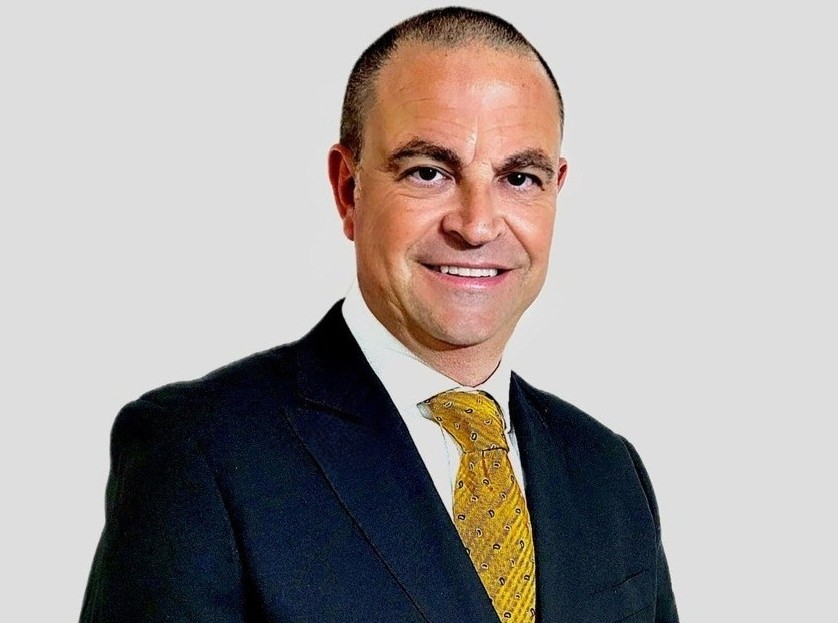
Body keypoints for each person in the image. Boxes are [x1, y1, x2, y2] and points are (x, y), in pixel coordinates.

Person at [80, 7, 678, 623]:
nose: (476, 225)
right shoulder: (201, 454)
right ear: (348, 189)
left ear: (557, 188)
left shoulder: (609, 474)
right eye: (429, 172)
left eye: (520, 178)